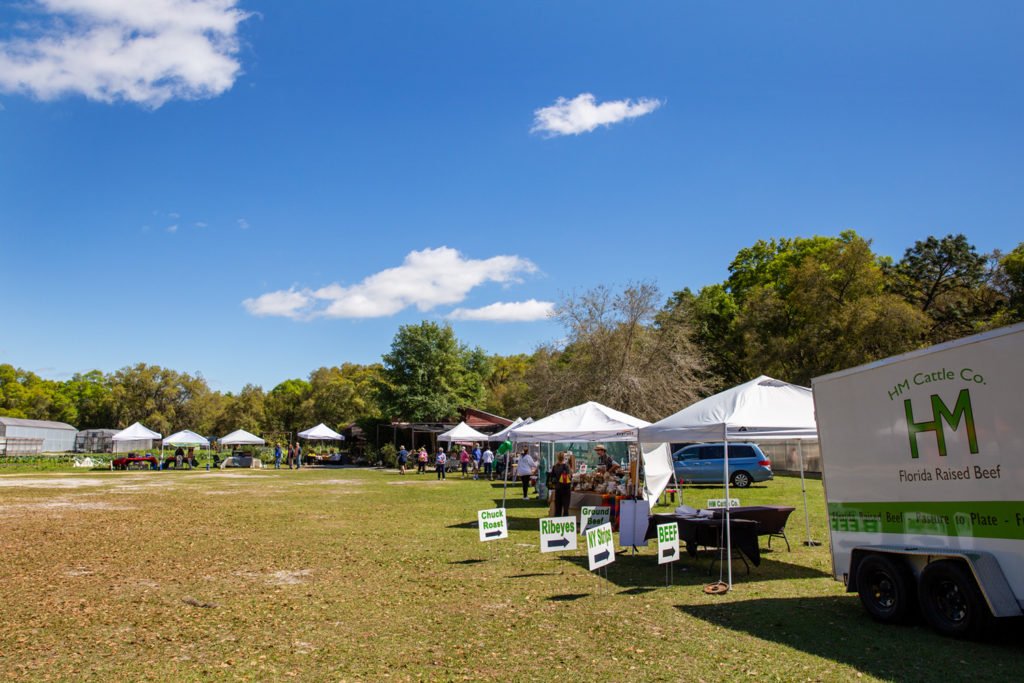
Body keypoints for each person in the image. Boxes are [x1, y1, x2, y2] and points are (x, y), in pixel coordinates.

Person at [550, 451, 573, 517]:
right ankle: (565, 521)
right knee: (565, 507)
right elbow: (569, 476)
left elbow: (552, 477)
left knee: (558, 507)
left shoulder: (555, 466)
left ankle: (558, 521)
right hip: (566, 488)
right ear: (564, 458)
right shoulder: (566, 466)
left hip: (558, 488)